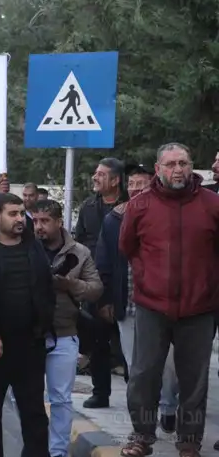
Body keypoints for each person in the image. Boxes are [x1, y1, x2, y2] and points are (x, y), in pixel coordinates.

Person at [118, 143, 219, 457]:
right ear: (158, 168)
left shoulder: (212, 204)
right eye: (171, 164)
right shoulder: (140, 205)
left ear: (192, 166)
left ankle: (189, 441)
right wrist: (147, 276)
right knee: (144, 375)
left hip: (199, 308)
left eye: (184, 163)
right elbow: (127, 247)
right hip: (152, 306)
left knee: (194, 381)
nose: (178, 170)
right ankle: (142, 436)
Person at [96, 162, 178, 434]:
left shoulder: (167, 215)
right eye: (131, 185)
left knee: (168, 365)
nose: (134, 190)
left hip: (161, 306)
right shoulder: (114, 219)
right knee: (136, 368)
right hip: (128, 305)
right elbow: (104, 262)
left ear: (153, 184)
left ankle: (168, 407)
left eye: (140, 184)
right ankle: (142, 423)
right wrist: (106, 299)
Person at [0, 193, 55, 457]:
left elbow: (45, 287)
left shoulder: (33, 245)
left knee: (34, 413)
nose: (20, 218)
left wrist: (44, 323)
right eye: (13, 213)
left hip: (30, 344)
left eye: (21, 213)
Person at [33, 199, 103, 457]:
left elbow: (96, 289)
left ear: (59, 222)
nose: (39, 226)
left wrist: (70, 285)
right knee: (24, 397)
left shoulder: (79, 252)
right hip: (29, 335)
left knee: (61, 398)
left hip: (64, 333)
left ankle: (58, 452)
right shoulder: (25, 247)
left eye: (45, 221)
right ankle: (36, 446)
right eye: (35, 221)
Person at [76, 157, 125, 409]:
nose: (95, 177)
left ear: (116, 180)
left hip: (124, 284)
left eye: (101, 174)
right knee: (97, 342)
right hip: (94, 284)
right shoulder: (88, 207)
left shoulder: (130, 206)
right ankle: (100, 392)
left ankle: (139, 396)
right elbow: (79, 243)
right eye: (96, 173)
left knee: (129, 345)